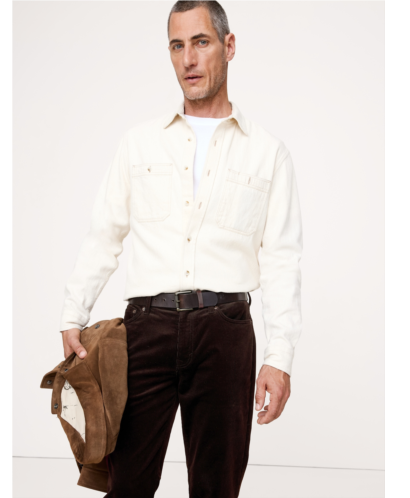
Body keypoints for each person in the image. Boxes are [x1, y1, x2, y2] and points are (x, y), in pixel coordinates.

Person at [59, 1, 303, 496]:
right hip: (145, 330)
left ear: (228, 46)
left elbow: (282, 258)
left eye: (201, 42)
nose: (188, 58)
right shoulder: (139, 143)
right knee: (127, 484)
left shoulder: (267, 152)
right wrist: (72, 313)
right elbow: (104, 234)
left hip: (225, 333)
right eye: (177, 45)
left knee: (217, 487)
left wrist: (279, 357)